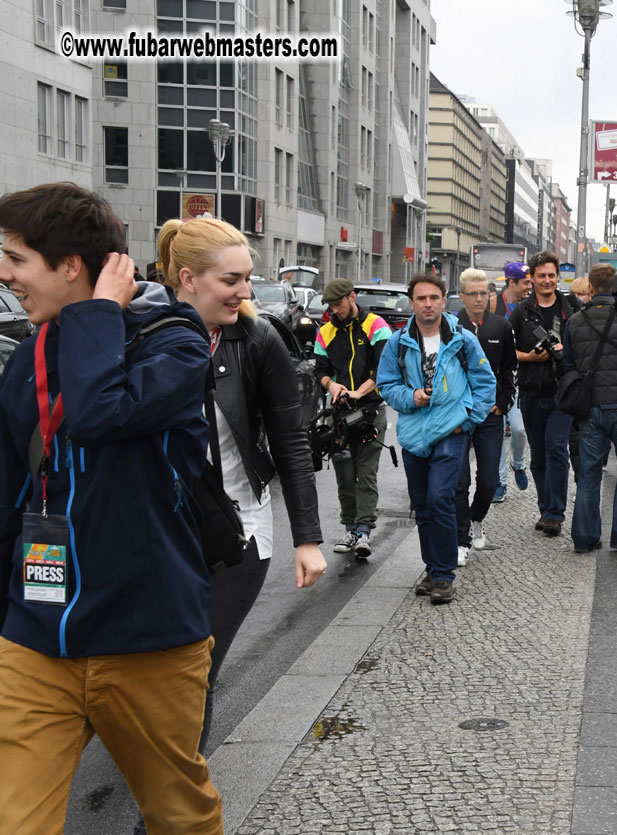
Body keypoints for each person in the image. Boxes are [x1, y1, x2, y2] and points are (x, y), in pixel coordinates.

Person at [0, 183, 221, 833]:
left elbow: (99, 414)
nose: (5, 274)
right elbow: (8, 499)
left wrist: (98, 315)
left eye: (16, 259)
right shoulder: (27, 362)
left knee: (179, 815)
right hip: (38, 637)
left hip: (147, 637)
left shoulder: (173, 344)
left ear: (71, 266)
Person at [157, 217, 326, 758]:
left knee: (193, 671)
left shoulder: (257, 338)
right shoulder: (145, 335)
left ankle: (170, 810)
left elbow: (291, 442)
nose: (246, 292)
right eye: (232, 280)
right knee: (150, 676)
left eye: (248, 278)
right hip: (160, 530)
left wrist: (306, 537)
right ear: (188, 278)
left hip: (237, 534)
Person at [379, 275, 495, 604]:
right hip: (415, 434)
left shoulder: (462, 339)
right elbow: (386, 383)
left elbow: (486, 383)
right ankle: (432, 569)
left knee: (441, 497)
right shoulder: (398, 342)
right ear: (412, 303)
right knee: (424, 505)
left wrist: (469, 420)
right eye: (421, 298)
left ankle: (444, 575)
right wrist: (410, 396)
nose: (428, 304)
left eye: (434, 297)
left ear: (444, 301)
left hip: (451, 431)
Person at [564, 264, 617, 553]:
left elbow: (568, 364)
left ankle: (585, 539)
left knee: (589, 475)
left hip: (591, 408)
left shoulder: (575, 321)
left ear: (590, 287)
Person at [312, 277, 393, 557]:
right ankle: (350, 530)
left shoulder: (376, 326)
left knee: (366, 474)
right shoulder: (325, 332)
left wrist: (360, 392)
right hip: (340, 417)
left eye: (338, 303)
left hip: (370, 412)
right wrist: (331, 385)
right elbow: (319, 370)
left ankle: (364, 533)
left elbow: (383, 369)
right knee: (345, 475)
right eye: (331, 306)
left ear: (352, 297)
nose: (335, 310)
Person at [510, 251, 581, 536]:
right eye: (542, 276)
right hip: (530, 390)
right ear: (532, 279)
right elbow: (507, 352)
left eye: (552, 275)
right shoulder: (521, 311)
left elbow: (583, 348)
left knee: (556, 450)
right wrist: (528, 357)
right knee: (538, 455)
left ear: (557, 277)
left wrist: (567, 351)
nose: (547, 280)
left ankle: (555, 513)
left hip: (563, 392)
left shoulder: (571, 309)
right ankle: (544, 508)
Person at [454, 269, 516, 562]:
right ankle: (461, 537)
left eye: (485, 293)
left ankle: (476, 519)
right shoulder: (451, 325)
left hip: (491, 415)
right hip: (458, 415)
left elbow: (509, 369)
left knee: (489, 481)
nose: (480, 299)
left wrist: (504, 402)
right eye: (473, 294)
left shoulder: (501, 326)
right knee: (458, 481)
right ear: (462, 296)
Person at [490, 261, 530, 501]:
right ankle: (499, 484)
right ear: (511, 282)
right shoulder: (494, 306)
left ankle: (517, 463)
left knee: (519, 429)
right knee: (494, 433)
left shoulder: (528, 307)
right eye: (525, 282)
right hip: (494, 382)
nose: (529, 287)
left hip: (519, 381)